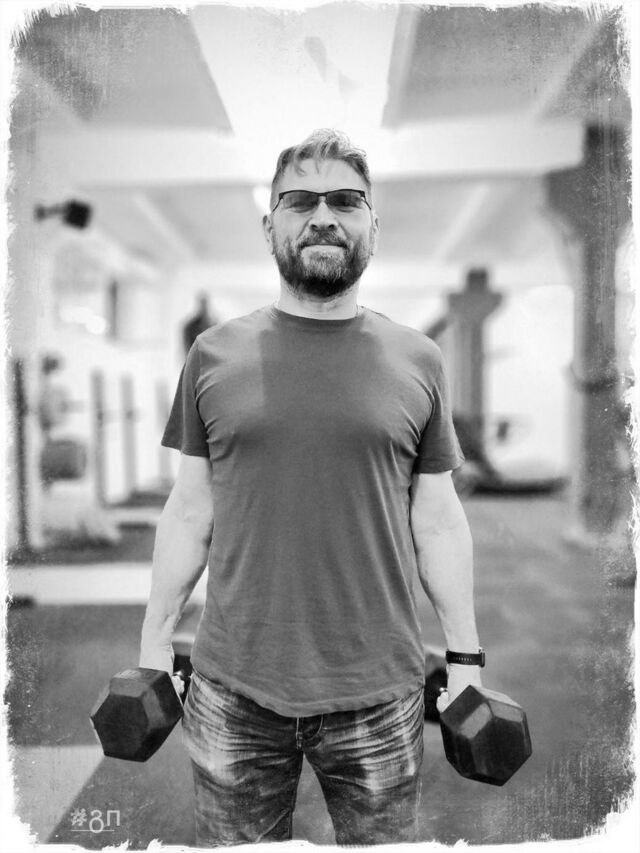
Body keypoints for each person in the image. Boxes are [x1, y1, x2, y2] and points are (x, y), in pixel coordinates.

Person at [140, 129, 483, 846]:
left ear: (373, 226)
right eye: (300, 201)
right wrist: (152, 643)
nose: (323, 216)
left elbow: (439, 520)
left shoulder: (418, 359)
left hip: (379, 691)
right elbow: (190, 510)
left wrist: (466, 659)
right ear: (270, 225)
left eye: (345, 201)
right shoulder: (212, 355)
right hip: (232, 687)